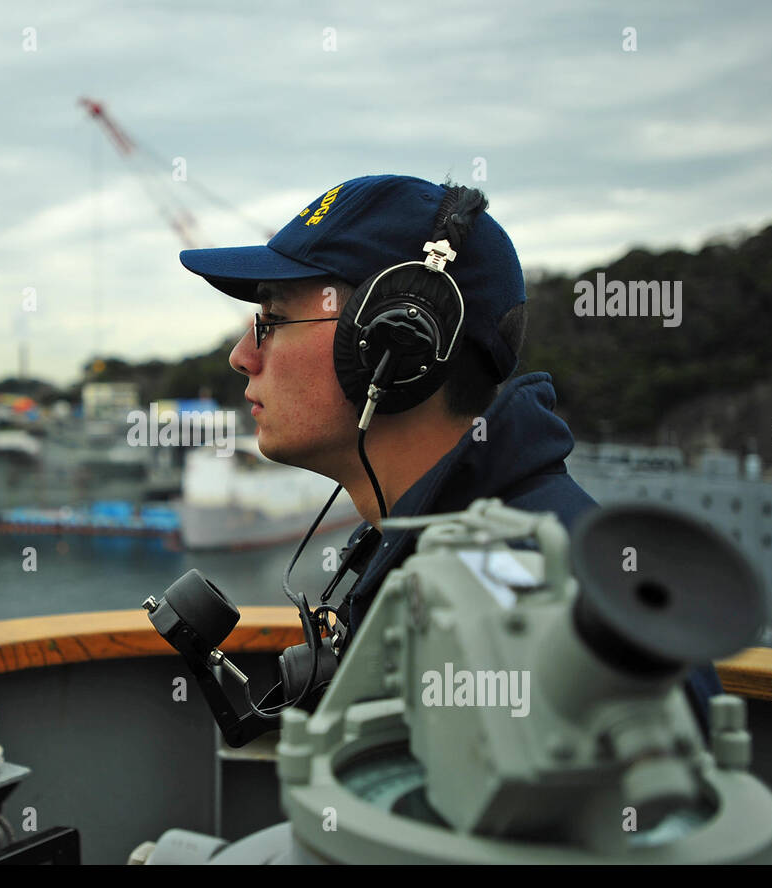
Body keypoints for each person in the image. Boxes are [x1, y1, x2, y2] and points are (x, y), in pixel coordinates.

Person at [179, 173, 722, 733]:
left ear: (390, 344)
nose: (242, 355)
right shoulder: (444, 542)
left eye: (271, 319)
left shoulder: (529, 607)